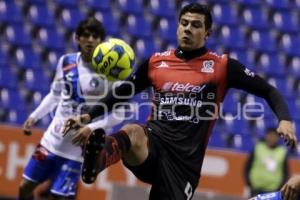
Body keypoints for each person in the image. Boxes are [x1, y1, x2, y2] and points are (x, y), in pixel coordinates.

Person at [63, 3, 298, 200]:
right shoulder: (156, 62)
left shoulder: (222, 67)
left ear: (207, 33)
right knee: (133, 131)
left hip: (183, 163)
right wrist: (88, 116)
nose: (188, 29)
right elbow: (124, 91)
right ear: (177, 27)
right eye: (184, 23)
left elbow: (268, 90)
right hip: (153, 143)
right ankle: (98, 159)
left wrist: (285, 120)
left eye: (196, 25)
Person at [19, 17, 125, 199]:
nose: (90, 40)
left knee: (58, 197)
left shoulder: (111, 72)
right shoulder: (66, 61)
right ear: (77, 38)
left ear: (101, 41)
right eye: (86, 35)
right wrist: (34, 116)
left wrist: (90, 128)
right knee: (24, 188)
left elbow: (120, 114)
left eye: (95, 36)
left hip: (78, 151)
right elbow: (55, 94)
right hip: (51, 141)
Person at [244, 128, 289, 197]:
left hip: (272, 190)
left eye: (274, 136)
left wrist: (279, 188)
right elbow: (247, 166)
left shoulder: (282, 152)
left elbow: (285, 172)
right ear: (266, 136)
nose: (271, 138)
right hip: (255, 188)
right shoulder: (258, 147)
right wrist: (249, 183)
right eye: (270, 135)